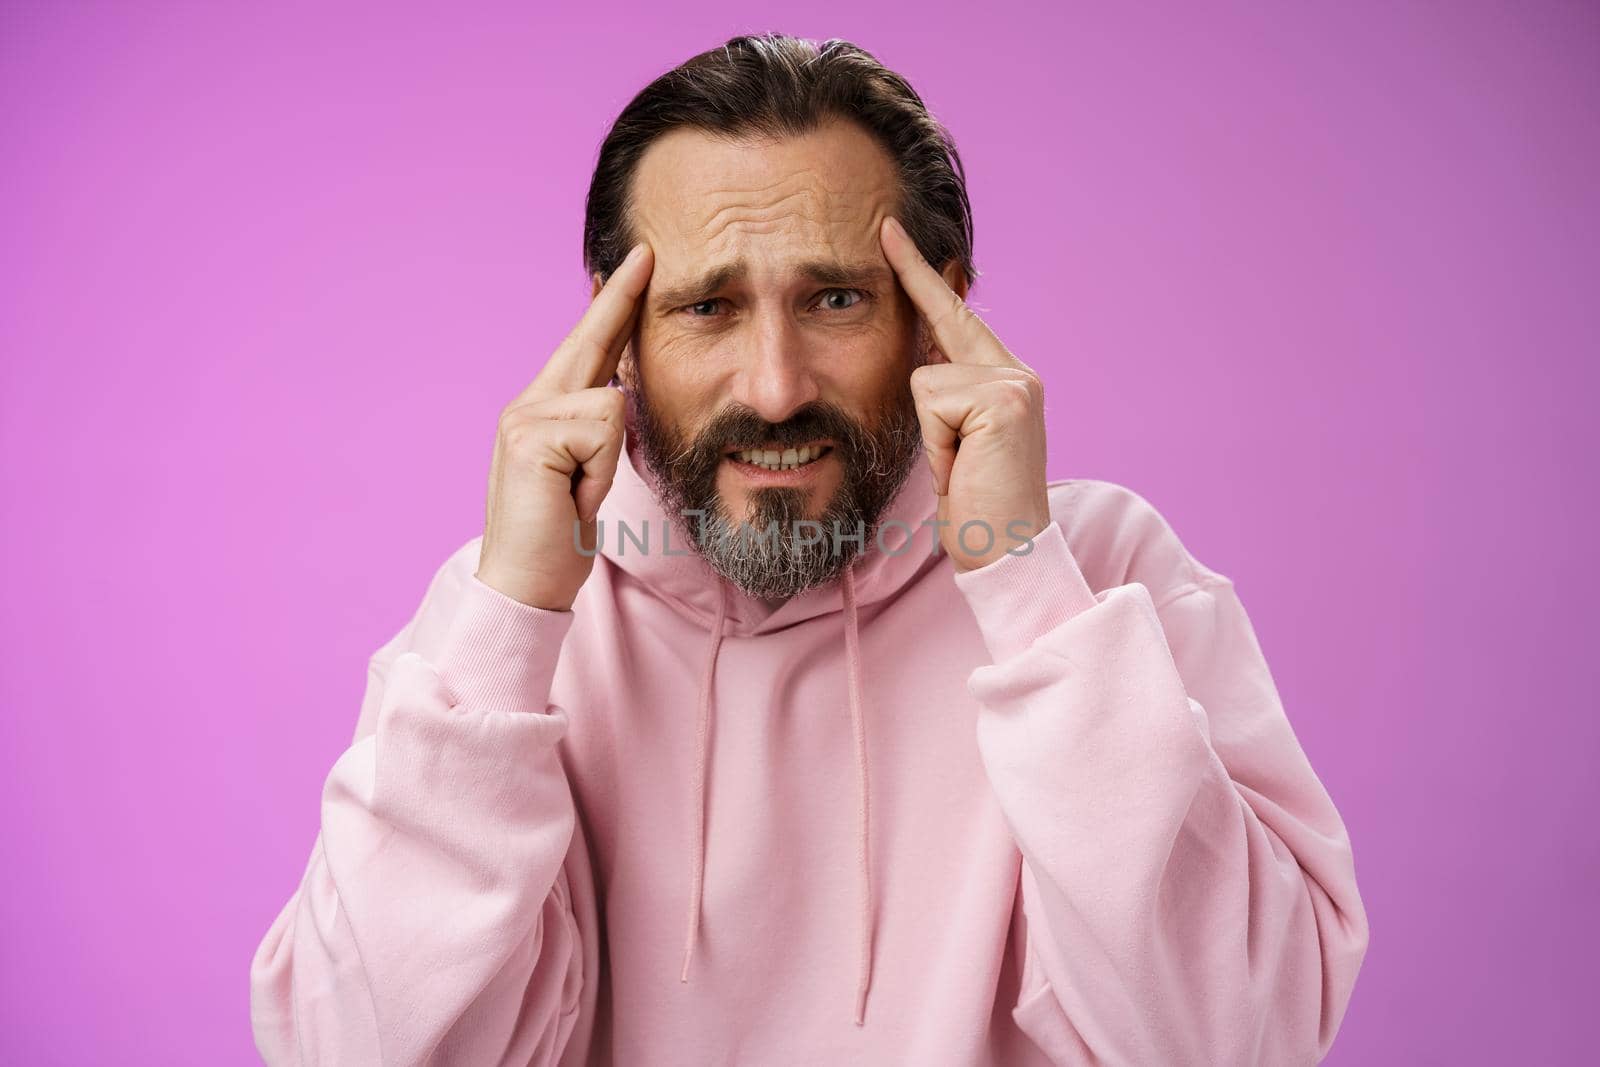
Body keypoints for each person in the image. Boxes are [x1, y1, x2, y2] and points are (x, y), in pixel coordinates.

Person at [249, 32, 1369, 1066]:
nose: (775, 388)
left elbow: (1237, 1038)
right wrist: (512, 618)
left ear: (937, 322)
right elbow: (356, 1048)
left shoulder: (1094, 570)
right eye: (706, 307)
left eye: (835, 298)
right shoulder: (512, 613)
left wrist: (1019, 578)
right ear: (615, 335)